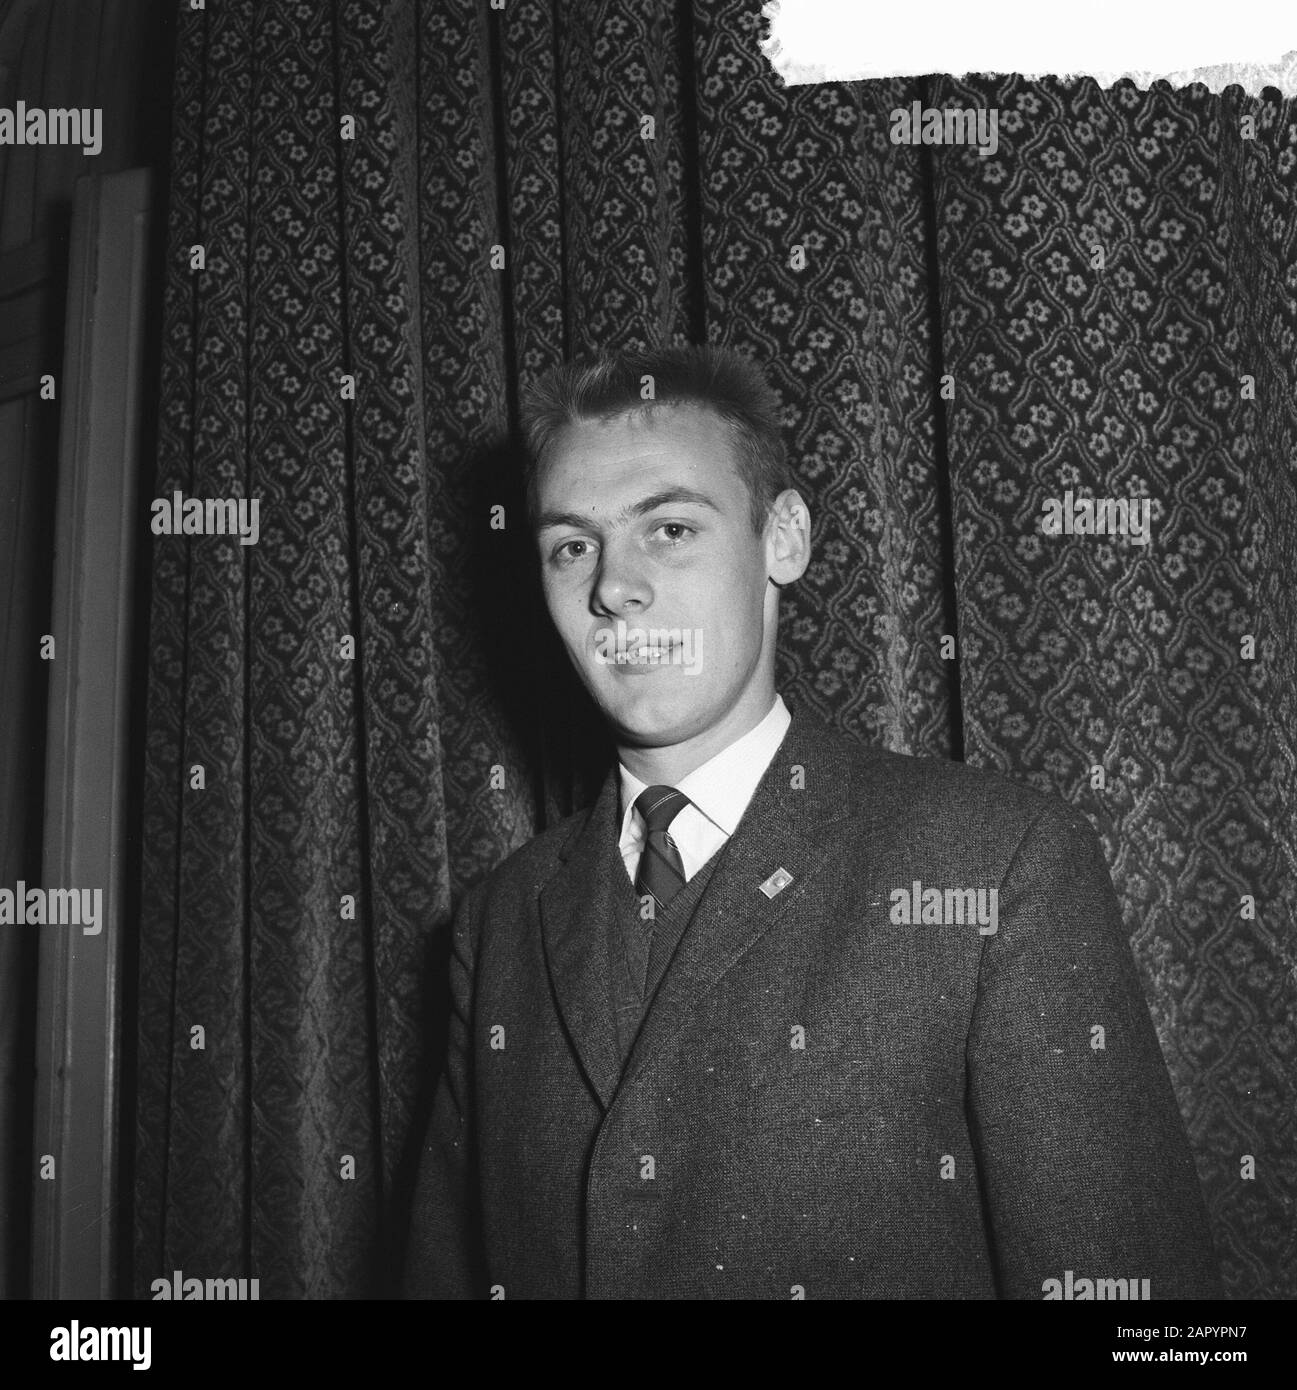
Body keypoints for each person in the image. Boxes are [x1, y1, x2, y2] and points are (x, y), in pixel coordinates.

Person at [405, 345, 1221, 1299]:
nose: (613, 588)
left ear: (781, 538)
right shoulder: (500, 921)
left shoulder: (994, 863)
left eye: (668, 528)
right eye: (572, 546)